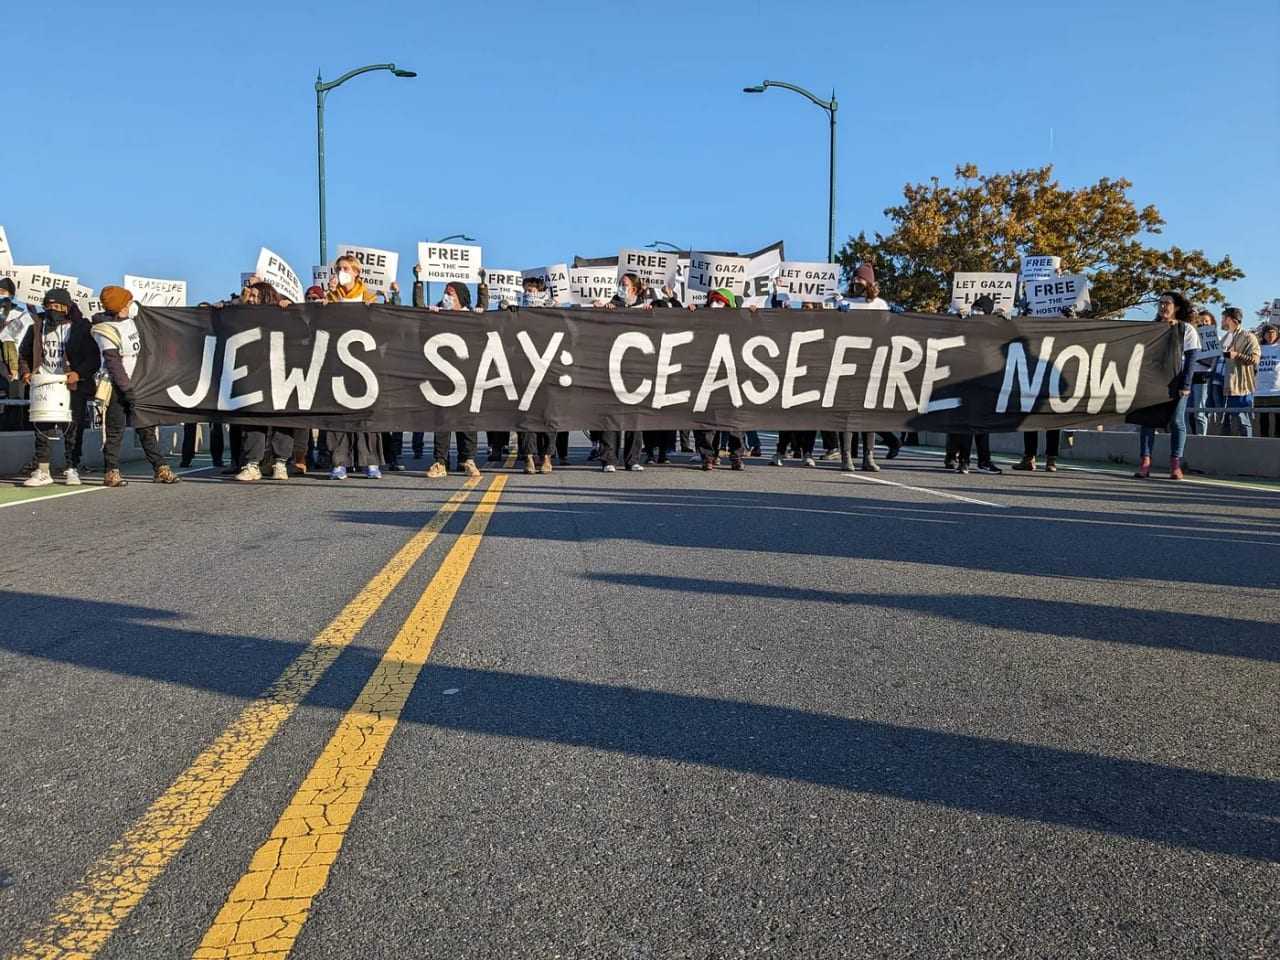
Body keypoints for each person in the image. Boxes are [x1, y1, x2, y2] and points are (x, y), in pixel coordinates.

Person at [90, 286, 181, 488]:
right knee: (115, 430)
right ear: (120, 307)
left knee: (147, 428)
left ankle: (160, 468)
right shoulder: (104, 329)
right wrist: (127, 389)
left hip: (140, 382)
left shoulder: (132, 321)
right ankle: (111, 471)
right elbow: (113, 362)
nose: (132, 305)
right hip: (117, 386)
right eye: (128, 303)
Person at [18, 288, 99, 487]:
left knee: (72, 428)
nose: (53, 310)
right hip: (44, 383)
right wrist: (26, 372)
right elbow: (24, 353)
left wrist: (78, 374)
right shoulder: (37, 326)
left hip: (70, 385)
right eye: (48, 306)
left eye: (57, 306)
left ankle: (72, 468)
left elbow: (93, 358)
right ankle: (42, 470)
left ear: (66, 307)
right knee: (41, 428)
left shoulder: (80, 327)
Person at [836, 264, 900, 471]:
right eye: (854, 280)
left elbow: (888, 330)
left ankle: (868, 456)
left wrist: (899, 317)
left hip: (872, 362)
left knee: (868, 412)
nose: (856, 283)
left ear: (869, 283)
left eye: (860, 280)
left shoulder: (880, 304)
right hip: (846, 363)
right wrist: (837, 312)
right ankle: (846, 456)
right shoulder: (843, 302)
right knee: (848, 412)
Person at [326, 256, 382, 479]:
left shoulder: (368, 296)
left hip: (365, 366)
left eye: (346, 268)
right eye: (339, 268)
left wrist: (373, 310)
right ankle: (339, 462)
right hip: (338, 364)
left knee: (366, 416)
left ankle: (371, 462)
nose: (342, 272)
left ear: (357, 272)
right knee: (339, 416)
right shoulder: (332, 296)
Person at [1134, 292, 1200, 480]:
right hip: (1153, 381)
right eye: (1160, 303)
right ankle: (1145, 463)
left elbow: (1192, 358)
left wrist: (1186, 384)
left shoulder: (1186, 329)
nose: (1163, 306)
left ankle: (1175, 464)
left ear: (1176, 307)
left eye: (1167, 303)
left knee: (1177, 421)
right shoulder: (1153, 328)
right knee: (1147, 421)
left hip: (1176, 382)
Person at [235, 282, 296, 481]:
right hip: (255, 374)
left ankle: (280, 463)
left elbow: (303, 331)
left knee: (282, 418)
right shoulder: (245, 315)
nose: (251, 299)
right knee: (254, 418)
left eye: (254, 295)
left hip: (281, 374)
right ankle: (252, 464)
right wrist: (223, 308)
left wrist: (291, 310)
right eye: (249, 295)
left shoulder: (283, 314)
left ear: (267, 296)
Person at [423, 279, 482, 479]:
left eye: (451, 293)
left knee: (466, 421)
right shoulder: (437, 313)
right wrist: (418, 282)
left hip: (466, 376)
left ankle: (468, 459)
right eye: (445, 293)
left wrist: (483, 287)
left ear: (461, 296)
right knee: (443, 420)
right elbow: (416, 313)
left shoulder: (471, 316)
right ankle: (440, 461)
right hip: (442, 376)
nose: (446, 297)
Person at [1220, 306, 1259, 438]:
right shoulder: (1225, 338)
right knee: (1225, 424)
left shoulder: (1249, 337)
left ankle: (1248, 451)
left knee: (1243, 422)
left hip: (1241, 387)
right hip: (1224, 387)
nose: (1221, 321)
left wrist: (1237, 355)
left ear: (1230, 320)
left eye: (1223, 318)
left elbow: (1255, 359)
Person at [1187, 309, 1217, 436]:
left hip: (1203, 377)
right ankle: (1188, 438)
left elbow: (1212, 361)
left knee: (1199, 412)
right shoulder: (1191, 337)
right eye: (1201, 321)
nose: (1203, 323)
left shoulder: (1214, 339)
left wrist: (1199, 359)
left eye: (1206, 321)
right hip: (1189, 376)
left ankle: (1201, 438)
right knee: (1187, 411)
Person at [1256, 325, 1279, 438]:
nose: (1270, 335)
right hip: (1261, 390)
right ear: (1263, 334)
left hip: (1277, 390)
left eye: (1273, 332)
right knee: (1263, 419)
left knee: (1278, 420)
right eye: (1268, 332)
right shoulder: (1258, 348)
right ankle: (1263, 442)